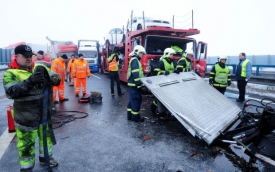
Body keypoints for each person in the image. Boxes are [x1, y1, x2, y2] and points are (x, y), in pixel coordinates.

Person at [3, 45, 60, 172]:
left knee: (46, 138)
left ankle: (46, 158)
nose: (29, 59)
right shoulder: (11, 73)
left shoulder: (39, 67)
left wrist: (54, 79)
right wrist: (30, 82)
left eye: (30, 56)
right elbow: (12, 92)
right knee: (26, 145)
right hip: (25, 116)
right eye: (25, 56)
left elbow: (56, 76)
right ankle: (27, 168)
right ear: (16, 57)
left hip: (44, 114)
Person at [150, 48, 176, 114]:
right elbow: (155, 71)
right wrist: (163, 73)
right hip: (162, 83)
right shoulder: (162, 62)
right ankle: (153, 106)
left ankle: (166, 111)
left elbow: (172, 71)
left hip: (170, 82)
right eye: (171, 54)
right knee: (161, 98)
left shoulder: (172, 62)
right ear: (167, 54)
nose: (173, 55)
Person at [127, 45, 146, 122]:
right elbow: (135, 74)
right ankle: (136, 117)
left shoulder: (134, 60)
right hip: (135, 85)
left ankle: (130, 116)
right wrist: (139, 84)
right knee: (136, 100)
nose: (142, 55)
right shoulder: (135, 60)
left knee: (132, 100)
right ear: (137, 52)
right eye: (141, 53)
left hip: (132, 84)